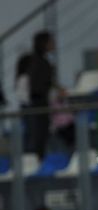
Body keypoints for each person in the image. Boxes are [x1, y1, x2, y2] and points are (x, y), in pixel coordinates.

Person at [26, 31, 66, 159]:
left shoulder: (40, 61)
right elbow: (42, 84)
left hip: (41, 100)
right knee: (40, 134)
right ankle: (39, 159)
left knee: (42, 133)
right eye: (50, 42)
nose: (53, 44)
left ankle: (41, 158)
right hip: (40, 102)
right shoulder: (40, 62)